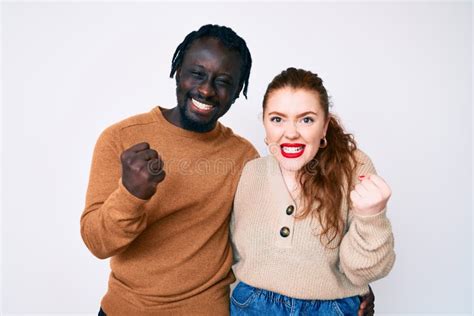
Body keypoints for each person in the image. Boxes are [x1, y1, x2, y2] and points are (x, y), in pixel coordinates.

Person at [80, 24, 375, 315]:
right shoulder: (121, 138)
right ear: (177, 72)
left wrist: (347, 286)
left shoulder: (244, 157)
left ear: (237, 92)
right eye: (197, 73)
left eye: (223, 81)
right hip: (126, 309)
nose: (206, 89)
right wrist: (131, 194)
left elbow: (275, 238)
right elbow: (98, 243)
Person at [230, 68, 395, 315]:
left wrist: (372, 216)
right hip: (251, 306)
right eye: (277, 119)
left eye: (306, 119)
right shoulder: (249, 172)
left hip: (330, 308)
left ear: (325, 126)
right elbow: (228, 252)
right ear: (264, 122)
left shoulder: (354, 168)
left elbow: (363, 271)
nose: (291, 132)